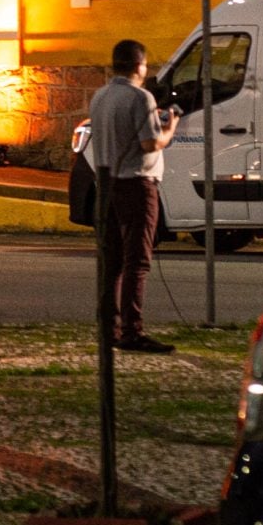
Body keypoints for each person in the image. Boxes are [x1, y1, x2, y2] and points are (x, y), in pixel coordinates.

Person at [86, 39, 179, 354]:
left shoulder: (99, 96)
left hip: (107, 184)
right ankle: (132, 332)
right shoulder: (141, 98)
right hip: (137, 184)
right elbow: (150, 143)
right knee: (137, 261)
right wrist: (170, 129)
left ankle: (108, 330)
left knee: (111, 262)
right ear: (140, 65)